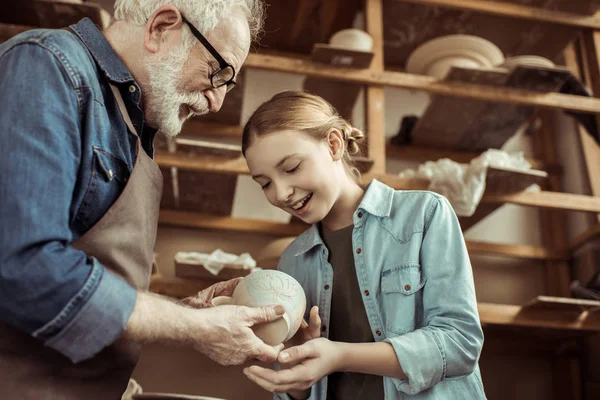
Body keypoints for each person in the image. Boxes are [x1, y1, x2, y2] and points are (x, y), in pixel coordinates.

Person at [0, 1, 285, 398]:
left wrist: (184, 314)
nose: (216, 101)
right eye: (218, 72)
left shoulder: (135, 124)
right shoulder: (48, 67)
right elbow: (23, 268)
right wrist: (192, 328)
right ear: (162, 27)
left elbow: (97, 278)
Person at [240, 91, 486, 399]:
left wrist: (340, 355)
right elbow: (300, 386)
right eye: (265, 183)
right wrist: (294, 373)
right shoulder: (293, 260)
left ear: (333, 144)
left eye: (291, 168)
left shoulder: (425, 214)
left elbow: (459, 343)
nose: (282, 193)